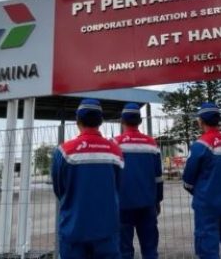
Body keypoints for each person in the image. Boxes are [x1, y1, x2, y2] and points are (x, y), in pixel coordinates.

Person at [51, 99, 124, 259]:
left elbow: (59, 189)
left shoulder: (63, 151)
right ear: (101, 121)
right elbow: (118, 186)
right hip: (107, 230)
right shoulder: (115, 151)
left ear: (78, 120)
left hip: (73, 230)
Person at [182, 102, 221, 259]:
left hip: (207, 205)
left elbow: (188, 179)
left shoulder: (200, 145)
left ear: (201, 121)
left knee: (207, 249)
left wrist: (198, 192)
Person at [114, 103, 163, 259]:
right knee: (150, 250)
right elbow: (158, 177)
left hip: (122, 206)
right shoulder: (151, 144)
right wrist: (158, 199)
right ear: (140, 121)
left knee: (123, 251)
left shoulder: (114, 144)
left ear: (122, 121)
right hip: (148, 205)